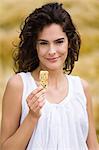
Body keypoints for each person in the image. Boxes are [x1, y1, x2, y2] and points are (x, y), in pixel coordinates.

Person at [0, 2, 99, 150]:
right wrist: (32, 117)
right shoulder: (19, 85)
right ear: (35, 46)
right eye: (44, 43)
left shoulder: (81, 88)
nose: (52, 51)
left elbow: (92, 146)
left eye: (59, 42)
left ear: (69, 43)